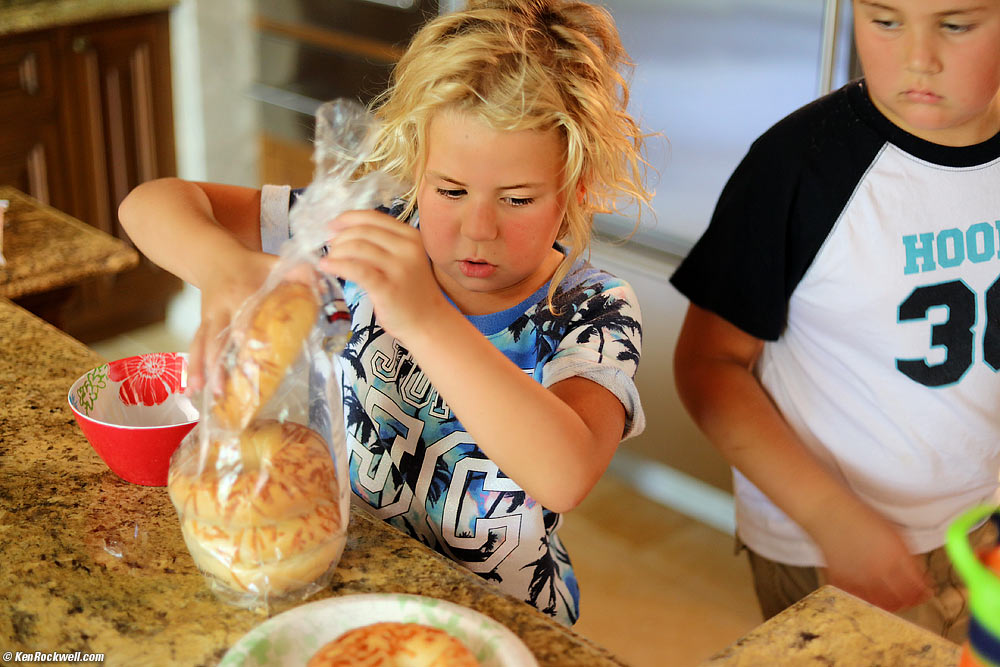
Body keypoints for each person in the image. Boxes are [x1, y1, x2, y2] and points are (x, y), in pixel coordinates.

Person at [119, 0, 654, 625]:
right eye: (449, 190)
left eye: (517, 198)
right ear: (416, 171)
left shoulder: (591, 307)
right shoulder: (371, 231)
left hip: (499, 619)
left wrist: (426, 319)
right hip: (350, 581)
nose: (478, 229)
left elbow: (565, 475)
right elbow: (151, 203)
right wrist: (225, 268)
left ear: (575, 190)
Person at [670, 0, 1000, 641]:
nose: (917, 58)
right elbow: (708, 367)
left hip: (980, 522)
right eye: (884, 20)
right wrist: (833, 518)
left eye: (955, 25)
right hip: (838, 550)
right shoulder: (799, 167)